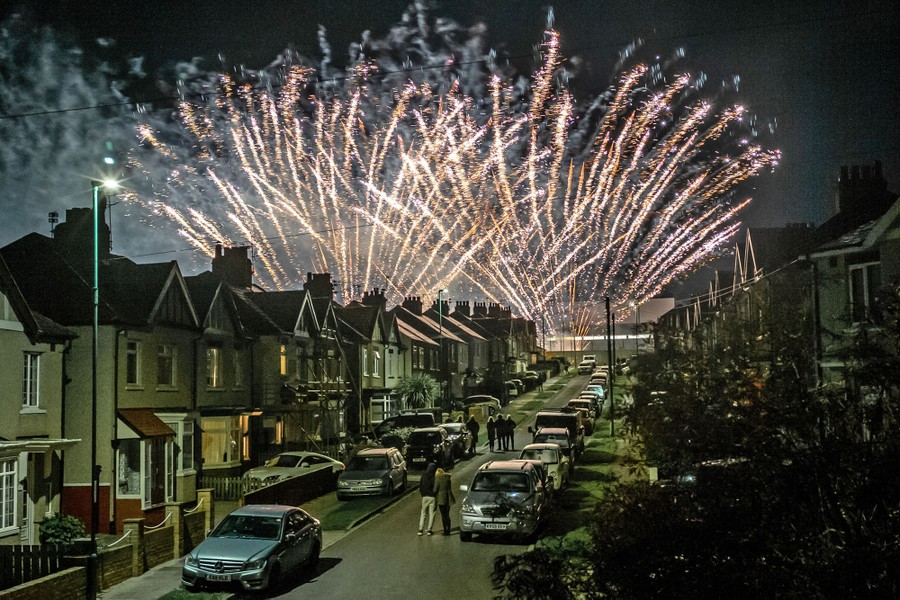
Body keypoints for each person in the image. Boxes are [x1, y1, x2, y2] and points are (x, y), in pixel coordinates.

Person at [433, 467, 455, 535]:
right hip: (448, 497)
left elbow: (435, 490)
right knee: (447, 515)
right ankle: (449, 529)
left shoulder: (438, 479)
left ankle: (445, 530)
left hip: (441, 498)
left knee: (443, 515)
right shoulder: (448, 478)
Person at [418, 462, 437, 535]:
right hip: (432, 496)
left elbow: (421, 485)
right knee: (432, 514)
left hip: (425, 496)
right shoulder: (434, 476)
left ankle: (420, 529)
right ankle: (429, 529)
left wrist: (422, 494)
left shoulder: (424, 475)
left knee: (423, 513)